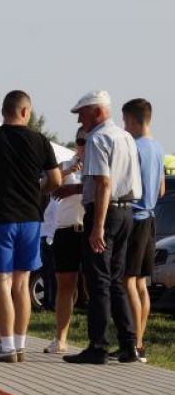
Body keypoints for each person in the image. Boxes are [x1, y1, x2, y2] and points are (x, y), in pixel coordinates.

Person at [0, 90, 61, 362]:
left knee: (1, 283)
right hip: (31, 219)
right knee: (22, 284)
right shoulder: (39, 140)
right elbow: (55, 180)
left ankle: (5, 346)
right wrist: (39, 188)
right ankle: (19, 345)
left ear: (3, 111)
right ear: (25, 112)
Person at [64, 90, 142, 364]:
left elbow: (103, 183)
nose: (79, 121)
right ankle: (129, 344)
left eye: (82, 114)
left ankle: (98, 346)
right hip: (127, 212)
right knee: (117, 280)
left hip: (105, 213)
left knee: (98, 281)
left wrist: (97, 226)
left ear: (97, 111)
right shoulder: (125, 136)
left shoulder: (97, 138)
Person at [122, 98, 165, 363]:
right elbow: (161, 189)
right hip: (151, 219)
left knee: (127, 280)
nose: (125, 127)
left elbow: (126, 184)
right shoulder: (158, 148)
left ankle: (134, 342)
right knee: (141, 283)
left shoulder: (133, 147)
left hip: (135, 216)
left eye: (126, 121)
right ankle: (140, 341)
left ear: (135, 120)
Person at [44, 130, 86, 354]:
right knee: (65, 285)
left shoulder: (100, 164)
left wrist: (76, 188)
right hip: (65, 229)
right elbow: (50, 185)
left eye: (88, 141)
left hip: (89, 230)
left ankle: (96, 339)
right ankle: (60, 338)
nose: (84, 145)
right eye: (80, 141)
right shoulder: (66, 164)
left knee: (94, 286)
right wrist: (69, 171)